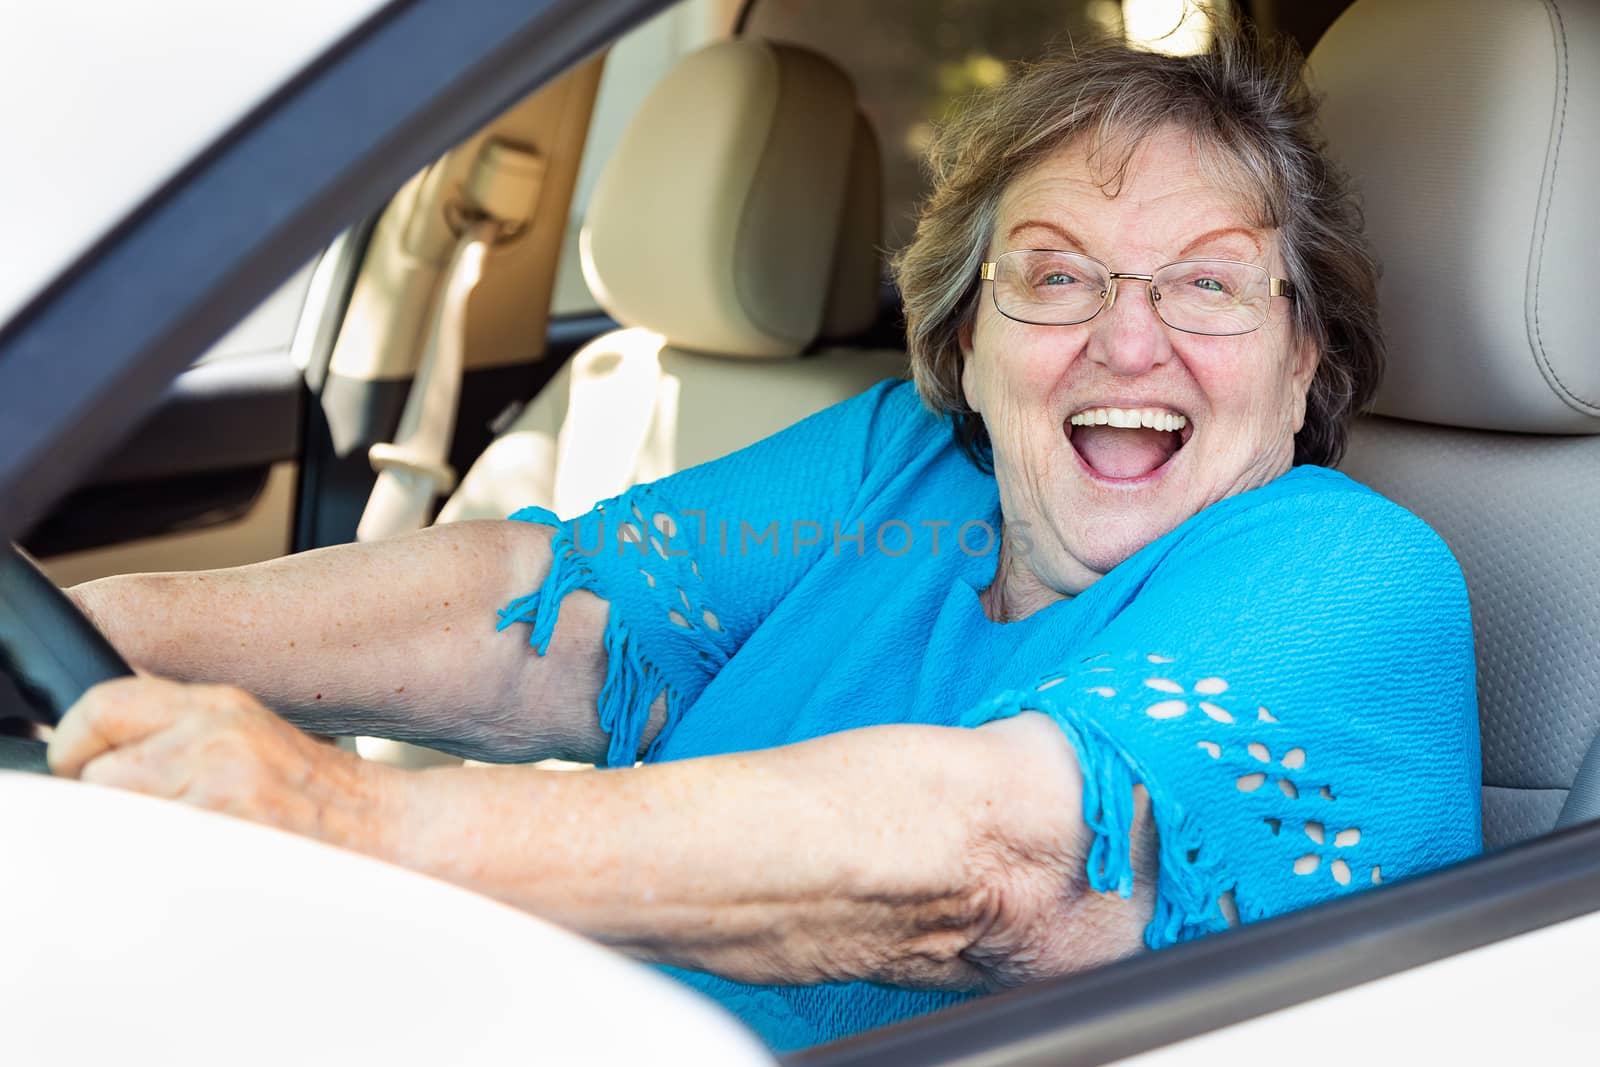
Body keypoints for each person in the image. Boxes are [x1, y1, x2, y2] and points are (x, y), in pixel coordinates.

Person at [50, 24, 1480, 1052]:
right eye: (1053, 275)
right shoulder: (907, 463)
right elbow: (544, 614)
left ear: (1305, 357)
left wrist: (340, 820)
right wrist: (90, 632)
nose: (1127, 339)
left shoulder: (1353, 573)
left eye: (1211, 287)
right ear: (967, 337)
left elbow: (996, 857)